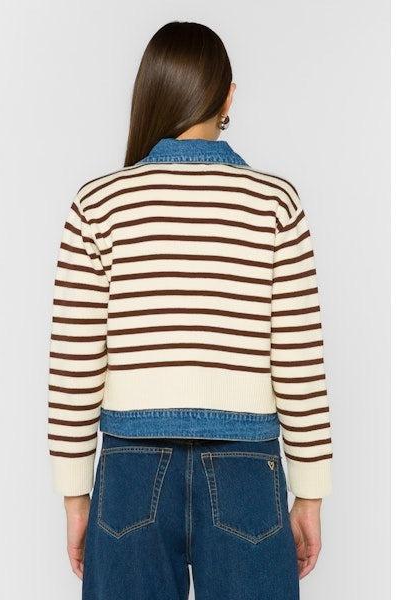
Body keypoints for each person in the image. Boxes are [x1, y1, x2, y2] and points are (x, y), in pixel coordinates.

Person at [47, 21, 333, 600]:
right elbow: (299, 361)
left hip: (129, 471)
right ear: (229, 96)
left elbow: (74, 366)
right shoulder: (275, 203)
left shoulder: (97, 204)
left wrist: (76, 497)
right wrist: (310, 492)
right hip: (248, 468)